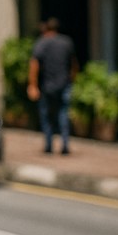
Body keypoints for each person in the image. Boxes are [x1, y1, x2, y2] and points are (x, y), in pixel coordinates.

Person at [28, 17, 77, 155]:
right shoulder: (66, 42)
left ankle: (49, 145)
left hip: (47, 86)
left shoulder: (42, 43)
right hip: (64, 84)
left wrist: (32, 85)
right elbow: (73, 64)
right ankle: (65, 145)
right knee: (63, 114)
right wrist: (72, 79)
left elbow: (34, 65)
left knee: (47, 116)